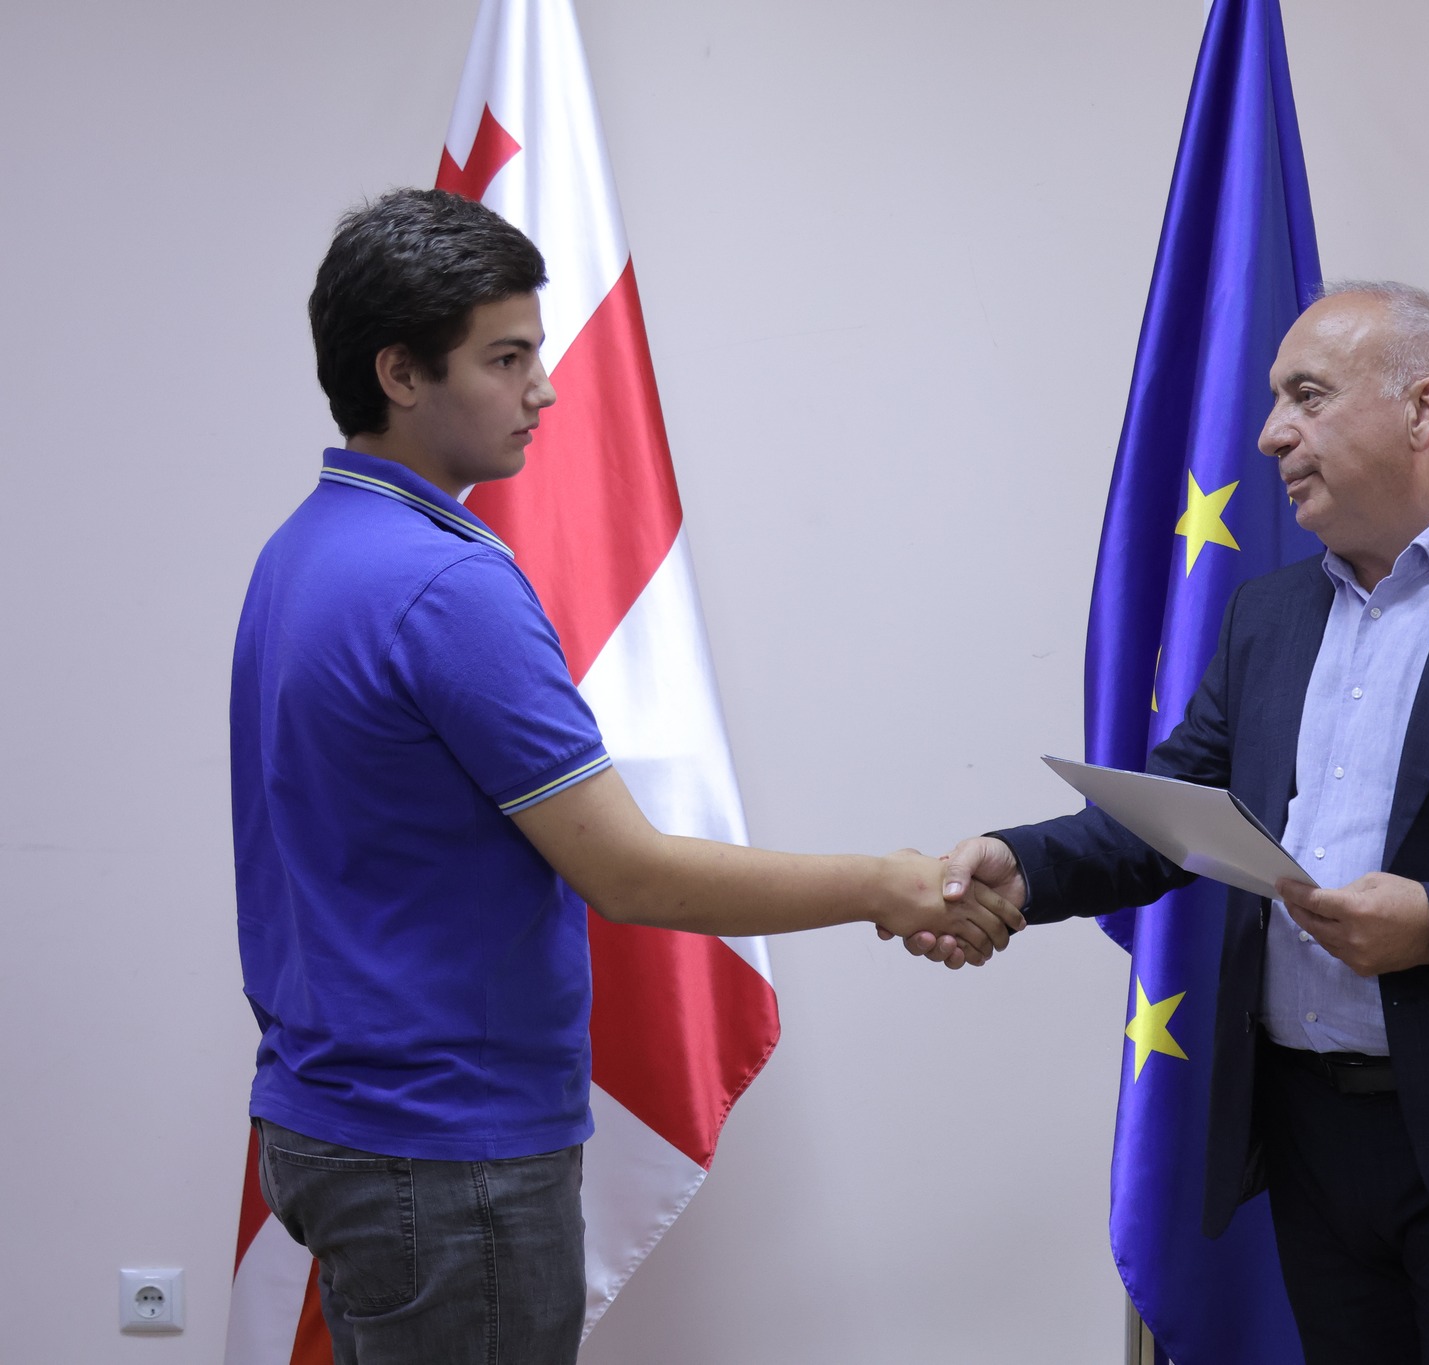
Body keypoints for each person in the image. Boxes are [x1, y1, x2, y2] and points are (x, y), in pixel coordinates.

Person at [233, 188, 1021, 1365]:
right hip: (445, 1153)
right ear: (399, 373)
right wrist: (889, 884)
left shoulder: (303, 549)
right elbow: (628, 873)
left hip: (339, 1120)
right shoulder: (446, 585)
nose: (543, 388)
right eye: (505, 357)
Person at [918, 283, 1429, 1362]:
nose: (1269, 434)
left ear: (1423, 407)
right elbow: (1178, 809)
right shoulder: (1271, 611)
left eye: (1306, 395)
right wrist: (1017, 866)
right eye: (1272, 401)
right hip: (1308, 1135)